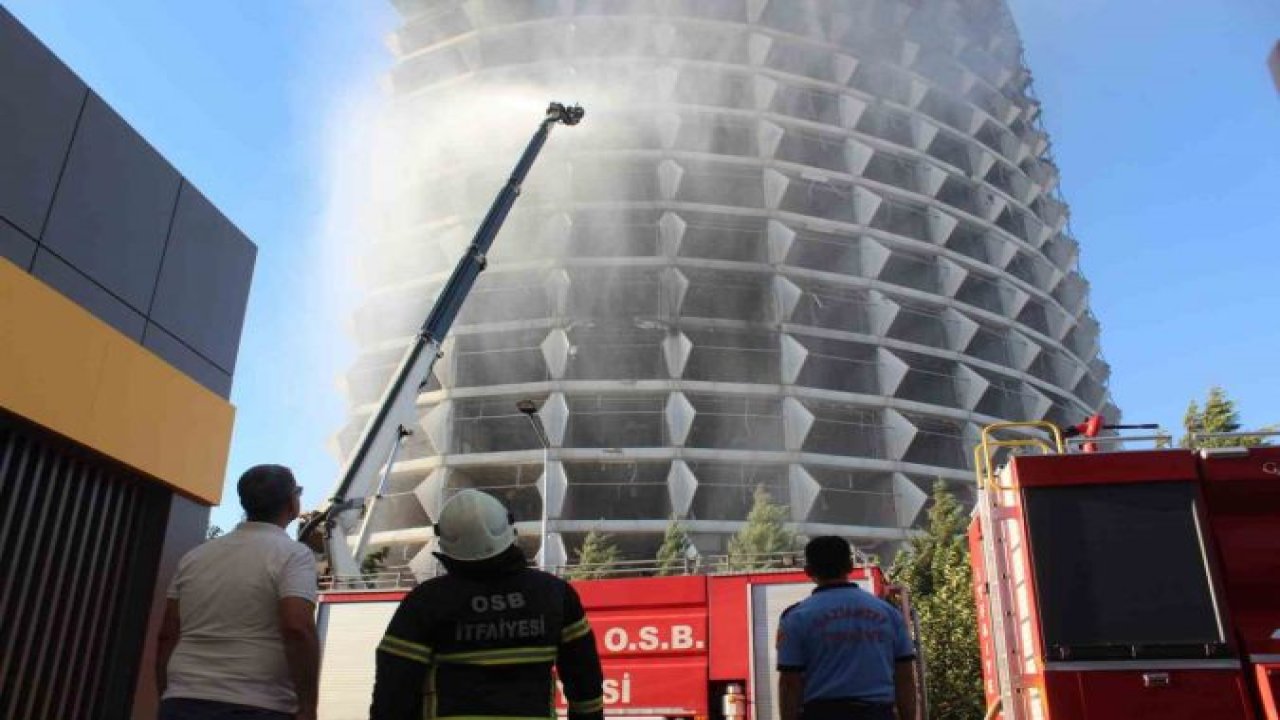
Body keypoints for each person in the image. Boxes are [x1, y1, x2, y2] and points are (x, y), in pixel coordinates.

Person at [370, 489, 604, 720]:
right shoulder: (555, 594)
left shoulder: (426, 601)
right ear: (509, 528)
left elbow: (394, 691)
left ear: (445, 542)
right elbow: (585, 680)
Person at [156, 465, 320, 720]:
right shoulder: (293, 555)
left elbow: (167, 633)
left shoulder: (195, 557)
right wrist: (308, 706)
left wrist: (168, 695)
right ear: (292, 502)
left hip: (182, 701)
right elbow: (297, 627)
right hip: (257, 704)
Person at [777, 536, 919, 720]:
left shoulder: (795, 618)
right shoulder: (889, 614)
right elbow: (905, 677)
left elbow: (789, 684)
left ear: (808, 571)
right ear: (850, 565)